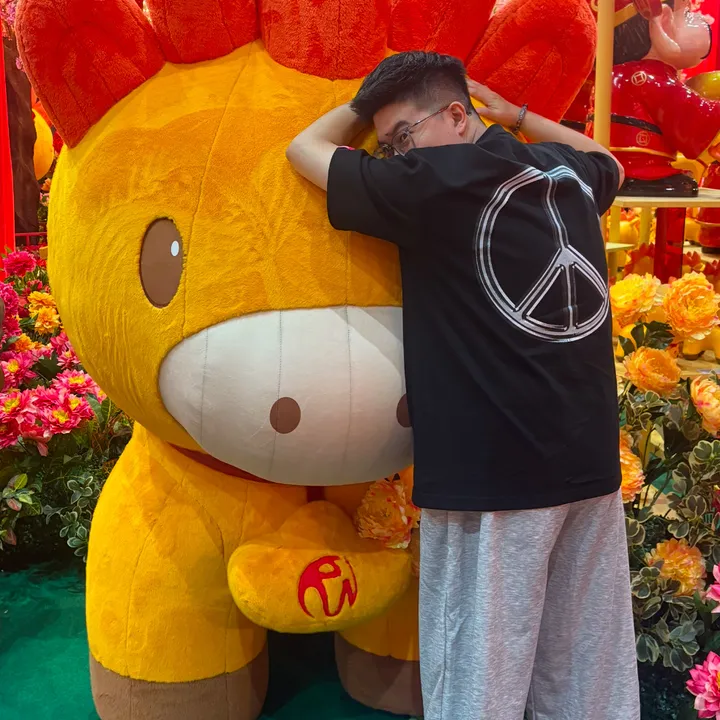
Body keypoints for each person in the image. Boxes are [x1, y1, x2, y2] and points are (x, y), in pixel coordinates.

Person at [286, 51, 638, 720]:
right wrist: (517, 116)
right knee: (586, 671)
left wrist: (360, 108)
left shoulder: (436, 180)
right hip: (588, 462)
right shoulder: (558, 170)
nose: (395, 156)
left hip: (495, 471)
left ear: (454, 115)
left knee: (478, 680)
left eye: (402, 137)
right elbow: (610, 163)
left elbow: (304, 149)